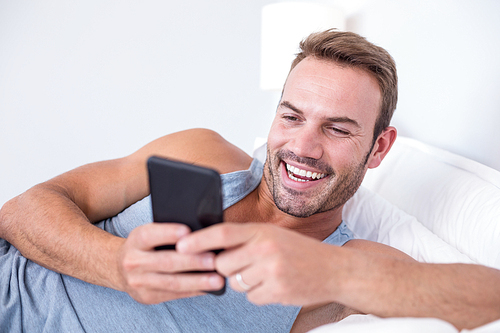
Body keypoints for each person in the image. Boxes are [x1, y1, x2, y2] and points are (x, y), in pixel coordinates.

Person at [0, 29, 499, 332]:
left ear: (380, 149)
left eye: (338, 129)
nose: (302, 147)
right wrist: (115, 263)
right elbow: (20, 211)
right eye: (292, 117)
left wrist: (339, 276)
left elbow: (488, 301)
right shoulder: (204, 153)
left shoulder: (346, 267)